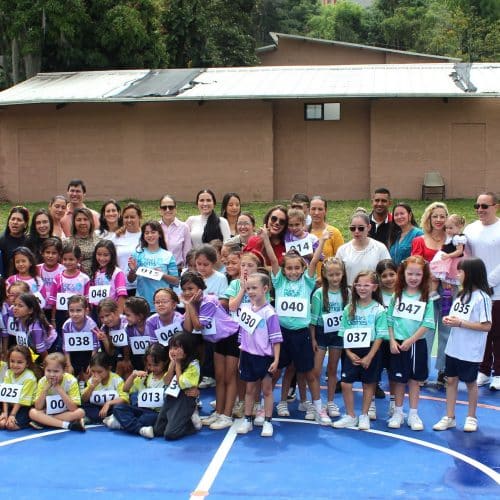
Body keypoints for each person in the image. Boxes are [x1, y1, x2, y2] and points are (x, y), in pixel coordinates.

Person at [262, 227, 330, 424]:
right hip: (281, 334)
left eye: (297, 268)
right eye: (289, 268)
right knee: (275, 371)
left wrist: (323, 241)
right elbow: (273, 260)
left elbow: (314, 261)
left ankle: (318, 408)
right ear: (284, 270)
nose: (293, 271)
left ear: (303, 269)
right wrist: (265, 237)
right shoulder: (279, 282)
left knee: (309, 373)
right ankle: (264, 405)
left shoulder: (307, 282)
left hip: (301, 334)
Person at [433, 258, 492, 432]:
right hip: (453, 348)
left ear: (471, 274)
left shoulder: (482, 298)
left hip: (470, 350)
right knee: (451, 380)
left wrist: (460, 323)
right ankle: (449, 417)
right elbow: (457, 318)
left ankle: (471, 417)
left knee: (470, 382)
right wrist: (449, 320)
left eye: (460, 272)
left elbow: (486, 326)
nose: (457, 274)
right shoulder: (460, 295)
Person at [181, 271, 239, 430]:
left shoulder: (209, 301)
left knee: (229, 378)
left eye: (191, 288)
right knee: (219, 378)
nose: (187, 292)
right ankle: (219, 412)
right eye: (184, 289)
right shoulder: (192, 304)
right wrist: (189, 306)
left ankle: (227, 415)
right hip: (216, 342)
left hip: (231, 337)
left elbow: (199, 325)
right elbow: (188, 329)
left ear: (200, 289)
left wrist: (190, 305)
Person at [333, 271, 387, 430]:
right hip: (352, 351)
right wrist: (348, 352)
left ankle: (364, 415)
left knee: (368, 383)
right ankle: (350, 415)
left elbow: (380, 335)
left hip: (371, 350)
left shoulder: (379, 310)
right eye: (359, 285)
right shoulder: (349, 308)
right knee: (345, 383)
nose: (362, 288)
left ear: (374, 287)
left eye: (366, 285)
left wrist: (370, 356)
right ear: (354, 287)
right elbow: (343, 332)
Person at [387, 256, 435, 431]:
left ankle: (413, 414)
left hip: (416, 344)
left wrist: (411, 340)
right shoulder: (396, 296)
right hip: (398, 345)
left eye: (418, 274)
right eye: (410, 274)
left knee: (414, 381)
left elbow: (427, 324)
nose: (413, 278)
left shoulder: (426, 298)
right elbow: (389, 320)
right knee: (399, 381)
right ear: (403, 274)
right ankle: (398, 412)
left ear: (424, 276)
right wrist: (392, 340)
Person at [236, 273, 282, 437]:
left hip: (264, 357)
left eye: (254, 288)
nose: (250, 291)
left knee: (267, 390)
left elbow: (276, 339)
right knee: (249, 390)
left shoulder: (270, 313)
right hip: (248, 356)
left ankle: (268, 422)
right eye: (248, 288)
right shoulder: (245, 309)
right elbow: (242, 335)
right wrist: (241, 357)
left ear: (265, 289)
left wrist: (276, 359)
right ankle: (247, 420)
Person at [463, 192, 500, 390]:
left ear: (496, 207)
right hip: (477, 291)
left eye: (484, 206)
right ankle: (484, 370)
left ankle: (498, 373)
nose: (480, 210)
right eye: (477, 206)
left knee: (497, 333)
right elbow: (465, 256)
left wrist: (488, 283)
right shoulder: (470, 229)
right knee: (481, 332)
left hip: (497, 291)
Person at [411, 202, 449, 383]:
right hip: (426, 289)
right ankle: (422, 371)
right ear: (429, 218)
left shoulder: (453, 240)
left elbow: (460, 262)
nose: (439, 220)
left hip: (448, 289)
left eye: (442, 216)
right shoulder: (419, 240)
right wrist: (431, 273)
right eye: (435, 216)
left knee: (447, 329)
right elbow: (414, 264)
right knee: (426, 330)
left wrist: (445, 276)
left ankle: (444, 370)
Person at [142, 332, 200, 440]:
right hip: (171, 397)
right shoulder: (174, 361)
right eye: (172, 348)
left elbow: (182, 384)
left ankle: (190, 423)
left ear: (187, 348)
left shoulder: (194, 364)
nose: (173, 351)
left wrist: (177, 363)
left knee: (170, 434)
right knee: (158, 430)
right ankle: (181, 420)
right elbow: (166, 381)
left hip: (184, 398)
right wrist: (173, 363)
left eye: (177, 348)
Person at [310, 257, 349, 418]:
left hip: (338, 335)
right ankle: (316, 403)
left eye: (337, 274)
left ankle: (331, 402)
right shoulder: (319, 294)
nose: (334, 278)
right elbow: (313, 320)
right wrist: (313, 338)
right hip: (321, 333)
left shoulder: (348, 293)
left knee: (332, 369)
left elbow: (350, 317)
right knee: (315, 371)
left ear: (342, 274)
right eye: (331, 275)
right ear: (325, 275)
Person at [105, 343, 169, 434]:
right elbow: (125, 389)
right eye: (149, 365)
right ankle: (140, 429)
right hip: (141, 409)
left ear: (165, 362)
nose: (152, 368)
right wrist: (133, 375)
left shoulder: (168, 377)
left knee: (146, 419)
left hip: (157, 413)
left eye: (156, 365)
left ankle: (123, 424)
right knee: (118, 408)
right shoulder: (145, 376)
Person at [127, 221, 178, 312]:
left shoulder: (167, 255)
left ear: (160, 234)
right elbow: (130, 279)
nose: (150, 235)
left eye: (153, 232)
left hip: (162, 304)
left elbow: (175, 281)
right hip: (142, 303)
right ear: (143, 236)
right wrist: (133, 270)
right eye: (146, 233)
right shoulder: (137, 254)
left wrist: (162, 275)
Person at [29, 352, 86, 432]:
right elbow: (38, 407)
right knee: (32, 412)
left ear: (64, 370)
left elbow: (73, 408)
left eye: (56, 371)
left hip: (65, 412)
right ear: (44, 369)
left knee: (80, 412)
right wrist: (45, 389)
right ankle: (67, 425)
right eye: (48, 371)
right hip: (47, 412)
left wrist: (59, 389)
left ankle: (44, 421)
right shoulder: (42, 381)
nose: (52, 374)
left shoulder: (71, 381)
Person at [336, 210, 390, 286]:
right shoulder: (342, 250)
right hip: (349, 291)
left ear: (369, 227)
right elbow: (337, 274)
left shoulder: (380, 248)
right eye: (353, 228)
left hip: (374, 291)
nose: (356, 231)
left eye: (361, 228)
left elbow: (388, 271)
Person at [48, 242, 90, 334]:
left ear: (78, 260)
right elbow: (54, 301)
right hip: (61, 315)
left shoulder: (84, 278)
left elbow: (87, 301)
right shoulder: (58, 278)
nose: (67, 262)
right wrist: (53, 319)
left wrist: (87, 318)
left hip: (79, 314)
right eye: (65, 259)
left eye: (71, 259)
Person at [81, 352, 129, 423]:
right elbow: (84, 399)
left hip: (111, 407)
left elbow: (125, 398)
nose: (96, 375)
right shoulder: (91, 380)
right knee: (84, 406)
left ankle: (98, 419)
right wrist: (92, 386)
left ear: (109, 369)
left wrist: (108, 403)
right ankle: (103, 419)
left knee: (119, 408)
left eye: (99, 372)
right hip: (96, 407)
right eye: (93, 371)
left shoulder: (117, 380)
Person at [62, 295, 99, 384]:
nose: (75, 314)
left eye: (78, 310)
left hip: (88, 353)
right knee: (71, 373)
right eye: (71, 311)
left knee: (88, 374)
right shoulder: (66, 326)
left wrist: (91, 364)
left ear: (86, 311)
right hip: (73, 354)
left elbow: (95, 347)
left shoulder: (92, 325)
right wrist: (69, 365)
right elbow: (66, 347)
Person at [0, 345, 37, 430]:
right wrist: (5, 413)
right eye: (12, 361)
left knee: (10, 425)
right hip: (10, 404)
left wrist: (12, 415)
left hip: (24, 406)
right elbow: (4, 395)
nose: (15, 365)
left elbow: (22, 400)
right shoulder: (8, 373)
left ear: (27, 363)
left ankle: (30, 421)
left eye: (19, 362)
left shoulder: (29, 377)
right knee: (2, 424)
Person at [429, 214, 467, 298]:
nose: (448, 230)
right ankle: (434, 292)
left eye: (451, 228)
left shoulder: (458, 238)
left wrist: (448, 255)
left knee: (447, 278)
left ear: (459, 227)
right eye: (446, 228)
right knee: (438, 276)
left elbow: (459, 251)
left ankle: (448, 295)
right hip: (446, 258)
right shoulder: (450, 236)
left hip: (452, 260)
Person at [13, 293, 57, 361]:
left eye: (20, 306)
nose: (15, 308)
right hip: (34, 347)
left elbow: (43, 351)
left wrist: (46, 364)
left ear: (30, 310)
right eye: (15, 305)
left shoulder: (35, 327)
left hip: (51, 348)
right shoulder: (18, 321)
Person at [113, 203, 142, 297]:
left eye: (132, 217)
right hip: (122, 286)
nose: (129, 220)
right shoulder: (116, 237)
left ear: (139, 217)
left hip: (142, 286)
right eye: (126, 217)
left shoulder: (146, 236)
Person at [90, 240, 127, 312]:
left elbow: (122, 296)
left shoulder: (117, 273)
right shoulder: (96, 271)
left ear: (112, 255)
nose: (102, 258)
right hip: (96, 310)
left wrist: (118, 314)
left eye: (106, 255)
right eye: (99, 254)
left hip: (110, 311)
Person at [308, 196, 344, 270]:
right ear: (309, 210)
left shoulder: (334, 232)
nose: (316, 213)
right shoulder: (302, 233)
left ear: (326, 211)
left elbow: (341, 260)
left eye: (320, 209)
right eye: (313, 209)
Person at [158, 194, 192, 271]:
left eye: (171, 207)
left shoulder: (184, 227)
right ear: (160, 210)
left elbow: (187, 253)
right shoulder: (155, 227)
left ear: (175, 209)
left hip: (177, 270)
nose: (167, 210)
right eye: (164, 207)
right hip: (158, 270)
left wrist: (186, 271)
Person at [67, 207, 101, 276]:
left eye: (85, 219)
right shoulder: (67, 243)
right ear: (74, 222)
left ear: (91, 221)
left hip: (97, 278)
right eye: (79, 220)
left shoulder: (99, 240)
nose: (82, 223)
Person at [0, 205, 30, 276]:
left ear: (25, 224)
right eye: (12, 219)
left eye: (19, 220)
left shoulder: (29, 241)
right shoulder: (2, 241)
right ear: (8, 222)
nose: (15, 222)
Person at [123, 296, 150, 370]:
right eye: (125, 314)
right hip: (136, 358)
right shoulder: (128, 328)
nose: (125, 318)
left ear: (140, 316)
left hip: (153, 356)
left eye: (128, 315)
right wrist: (126, 360)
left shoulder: (151, 325)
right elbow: (127, 346)